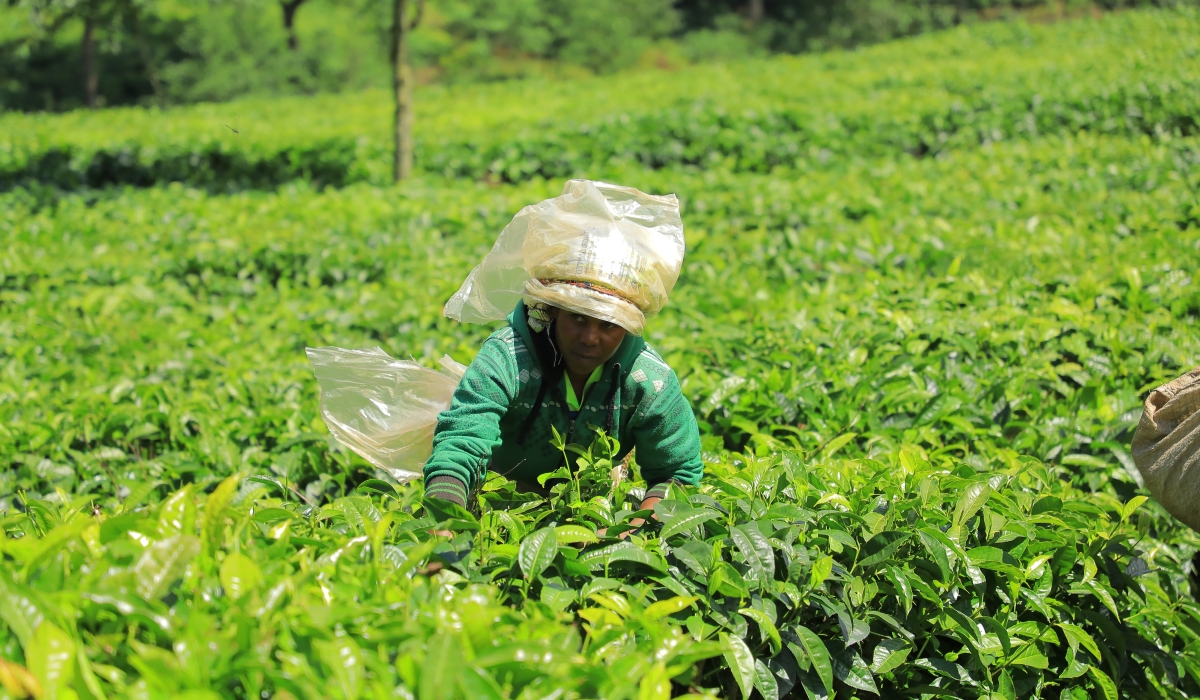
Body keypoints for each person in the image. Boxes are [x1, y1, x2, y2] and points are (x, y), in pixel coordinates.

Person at [421, 180, 704, 520]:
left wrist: (637, 531)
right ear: (550, 310)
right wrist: (444, 523)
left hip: (596, 516)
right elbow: (462, 443)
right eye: (578, 318)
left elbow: (677, 472)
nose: (589, 338)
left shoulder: (649, 383)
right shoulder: (506, 359)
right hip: (499, 511)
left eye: (608, 325)